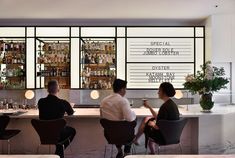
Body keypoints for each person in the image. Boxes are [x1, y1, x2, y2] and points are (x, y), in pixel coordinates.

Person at [133, 82, 180, 154]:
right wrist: (149, 107)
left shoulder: (164, 107)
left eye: (159, 91)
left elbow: (158, 127)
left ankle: (151, 151)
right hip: (173, 135)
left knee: (147, 124)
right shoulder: (172, 104)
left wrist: (152, 124)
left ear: (164, 93)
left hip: (163, 136)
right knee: (147, 119)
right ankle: (150, 151)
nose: (158, 92)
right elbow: (159, 118)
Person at [38, 80, 76, 158]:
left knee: (60, 133)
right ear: (58, 90)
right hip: (58, 134)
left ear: (47, 90)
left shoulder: (41, 102)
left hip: (44, 133)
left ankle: (58, 151)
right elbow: (71, 113)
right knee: (72, 131)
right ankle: (59, 150)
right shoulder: (63, 103)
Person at [100, 79, 136, 158]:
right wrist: (133, 113)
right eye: (125, 89)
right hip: (124, 135)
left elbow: (102, 117)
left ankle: (120, 150)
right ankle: (127, 151)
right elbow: (130, 118)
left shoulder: (103, 101)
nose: (125, 91)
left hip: (109, 135)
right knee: (132, 122)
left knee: (116, 128)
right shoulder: (123, 101)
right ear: (122, 89)